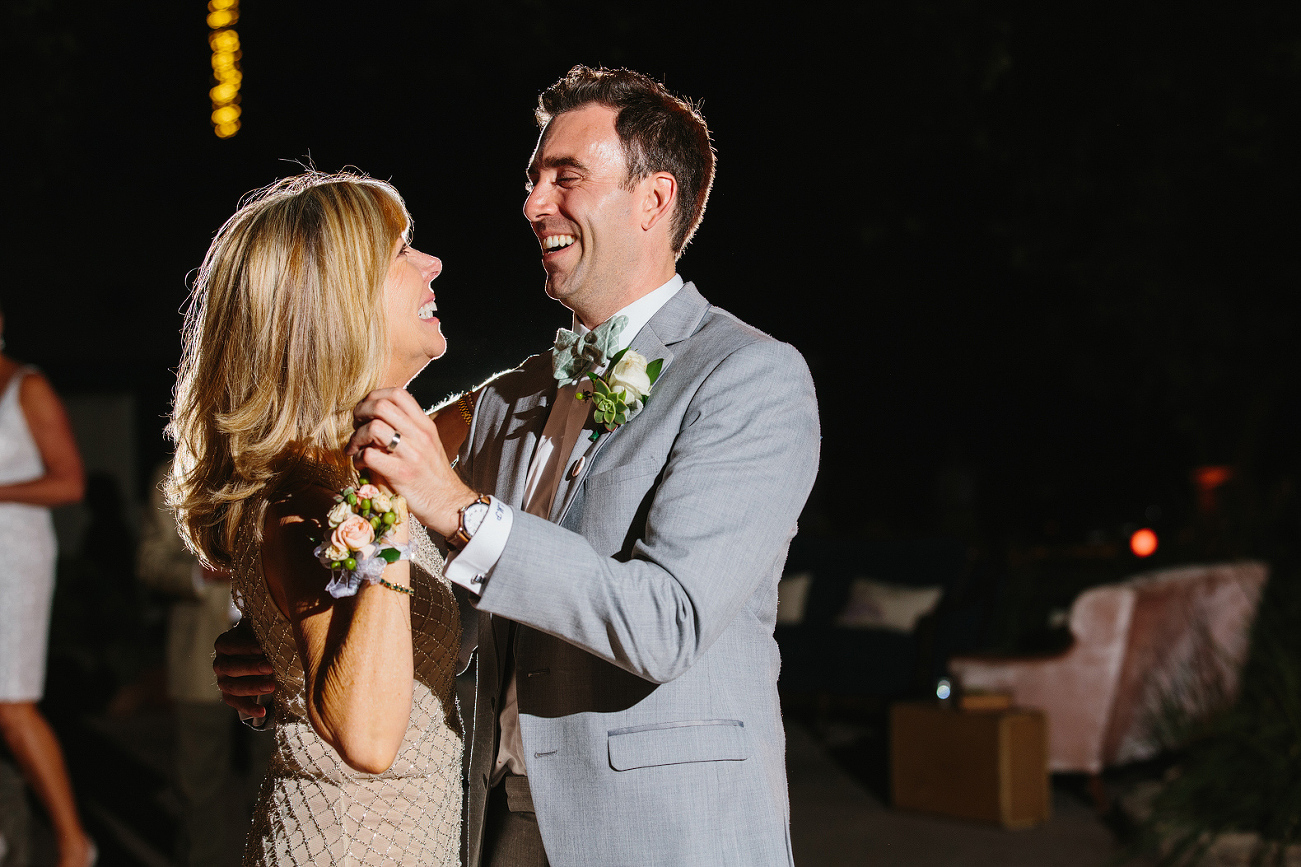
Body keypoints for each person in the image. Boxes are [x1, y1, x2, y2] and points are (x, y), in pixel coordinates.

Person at [345, 66, 821, 866]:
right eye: (533, 179)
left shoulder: (748, 376)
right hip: (500, 821)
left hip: (665, 831)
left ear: (653, 199)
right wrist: (300, 645)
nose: (534, 205)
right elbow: (467, 613)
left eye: (566, 177)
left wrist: (459, 509)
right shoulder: (518, 392)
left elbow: (666, 623)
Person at [167, 172, 467, 867]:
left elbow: (483, 411)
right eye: (400, 252)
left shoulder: (341, 465)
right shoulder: (308, 501)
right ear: (338, 306)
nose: (432, 264)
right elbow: (365, 736)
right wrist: (384, 516)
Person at [138, 457, 272, 867]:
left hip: (276, 653)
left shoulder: (280, 461)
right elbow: (150, 561)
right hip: (199, 654)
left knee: (275, 779)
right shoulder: (173, 473)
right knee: (198, 784)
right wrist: (200, 572)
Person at [0, 308, 94, 867]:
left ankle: (72, 841)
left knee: (11, 706)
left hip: (15, 559)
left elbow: (70, 481)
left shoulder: (26, 387)